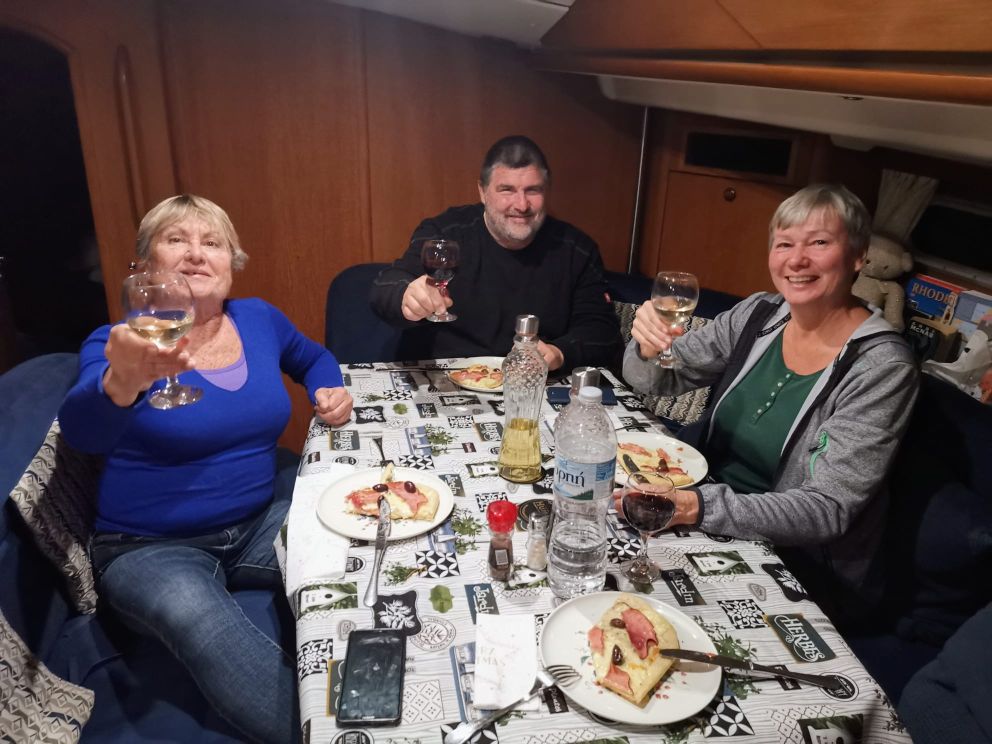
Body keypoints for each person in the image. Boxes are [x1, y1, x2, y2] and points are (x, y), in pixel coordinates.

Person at [58, 194, 353, 743]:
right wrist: (122, 383)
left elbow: (313, 357)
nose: (196, 254)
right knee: (203, 625)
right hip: (149, 547)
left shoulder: (259, 319)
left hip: (258, 521)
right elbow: (82, 432)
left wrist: (328, 389)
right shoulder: (122, 343)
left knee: (355, 551)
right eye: (176, 240)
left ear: (230, 265)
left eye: (212, 243)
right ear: (147, 265)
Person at [622, 184, 919, 625]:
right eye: (784, 244)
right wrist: (648, 346)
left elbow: (826, 509)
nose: (797, 260)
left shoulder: (882, 367)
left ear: (858, 255)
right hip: (702, 511)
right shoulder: (759, 314)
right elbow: (660, 379)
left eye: (819, 242)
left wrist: (696, 506)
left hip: (796, 562)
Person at [370, 135, 621, 372]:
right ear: (482, 191)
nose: (521, 205)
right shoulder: (445, 233)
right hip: (445, 380)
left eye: (533, 190)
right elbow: (386, 287)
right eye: (507, 190)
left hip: (531, 385)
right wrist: (407, 296)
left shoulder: (576, 250)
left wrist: (560, 352)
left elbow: (601, 331)